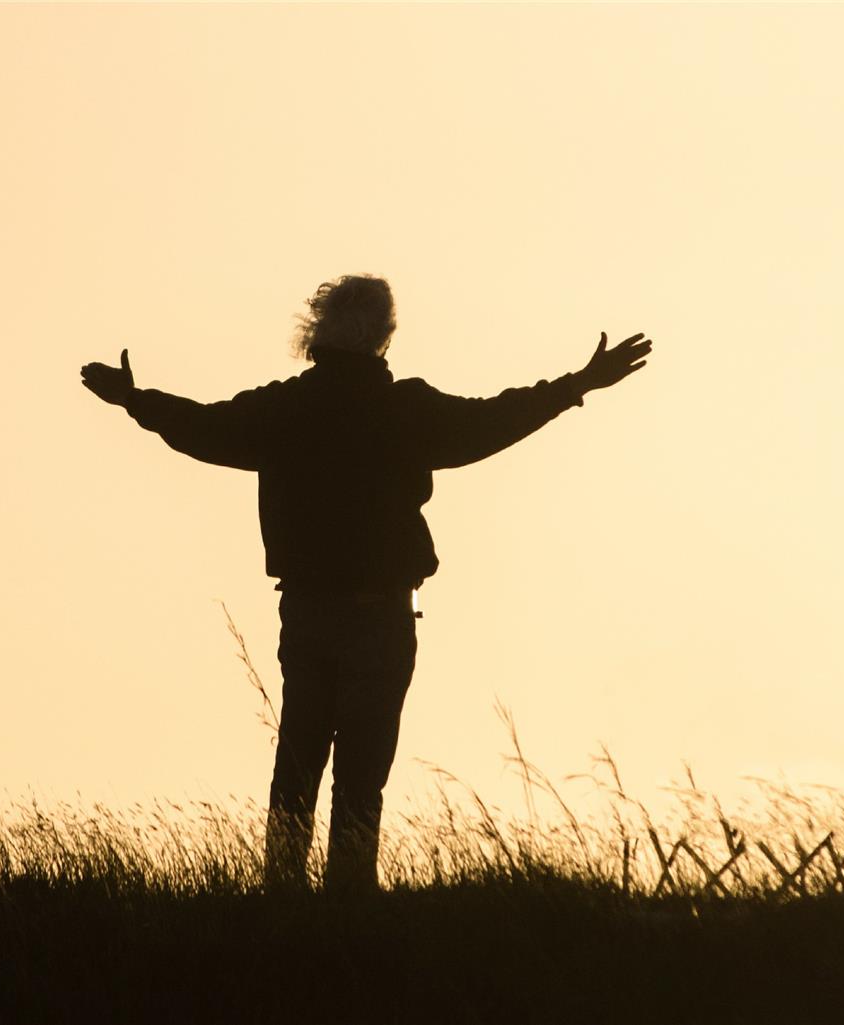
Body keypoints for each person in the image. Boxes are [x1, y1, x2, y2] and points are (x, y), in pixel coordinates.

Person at [81, 274, 653, 892]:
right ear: (385, 336)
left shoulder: (285, 410)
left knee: (297, 763)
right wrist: (577, 384)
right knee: (362, 773)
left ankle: (282, 897)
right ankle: (349, 900)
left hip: (308, 613)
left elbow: (203, 426)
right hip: (382, 616)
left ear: (316, 333)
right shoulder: (407, 410)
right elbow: (495, 419)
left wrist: (133, 399)